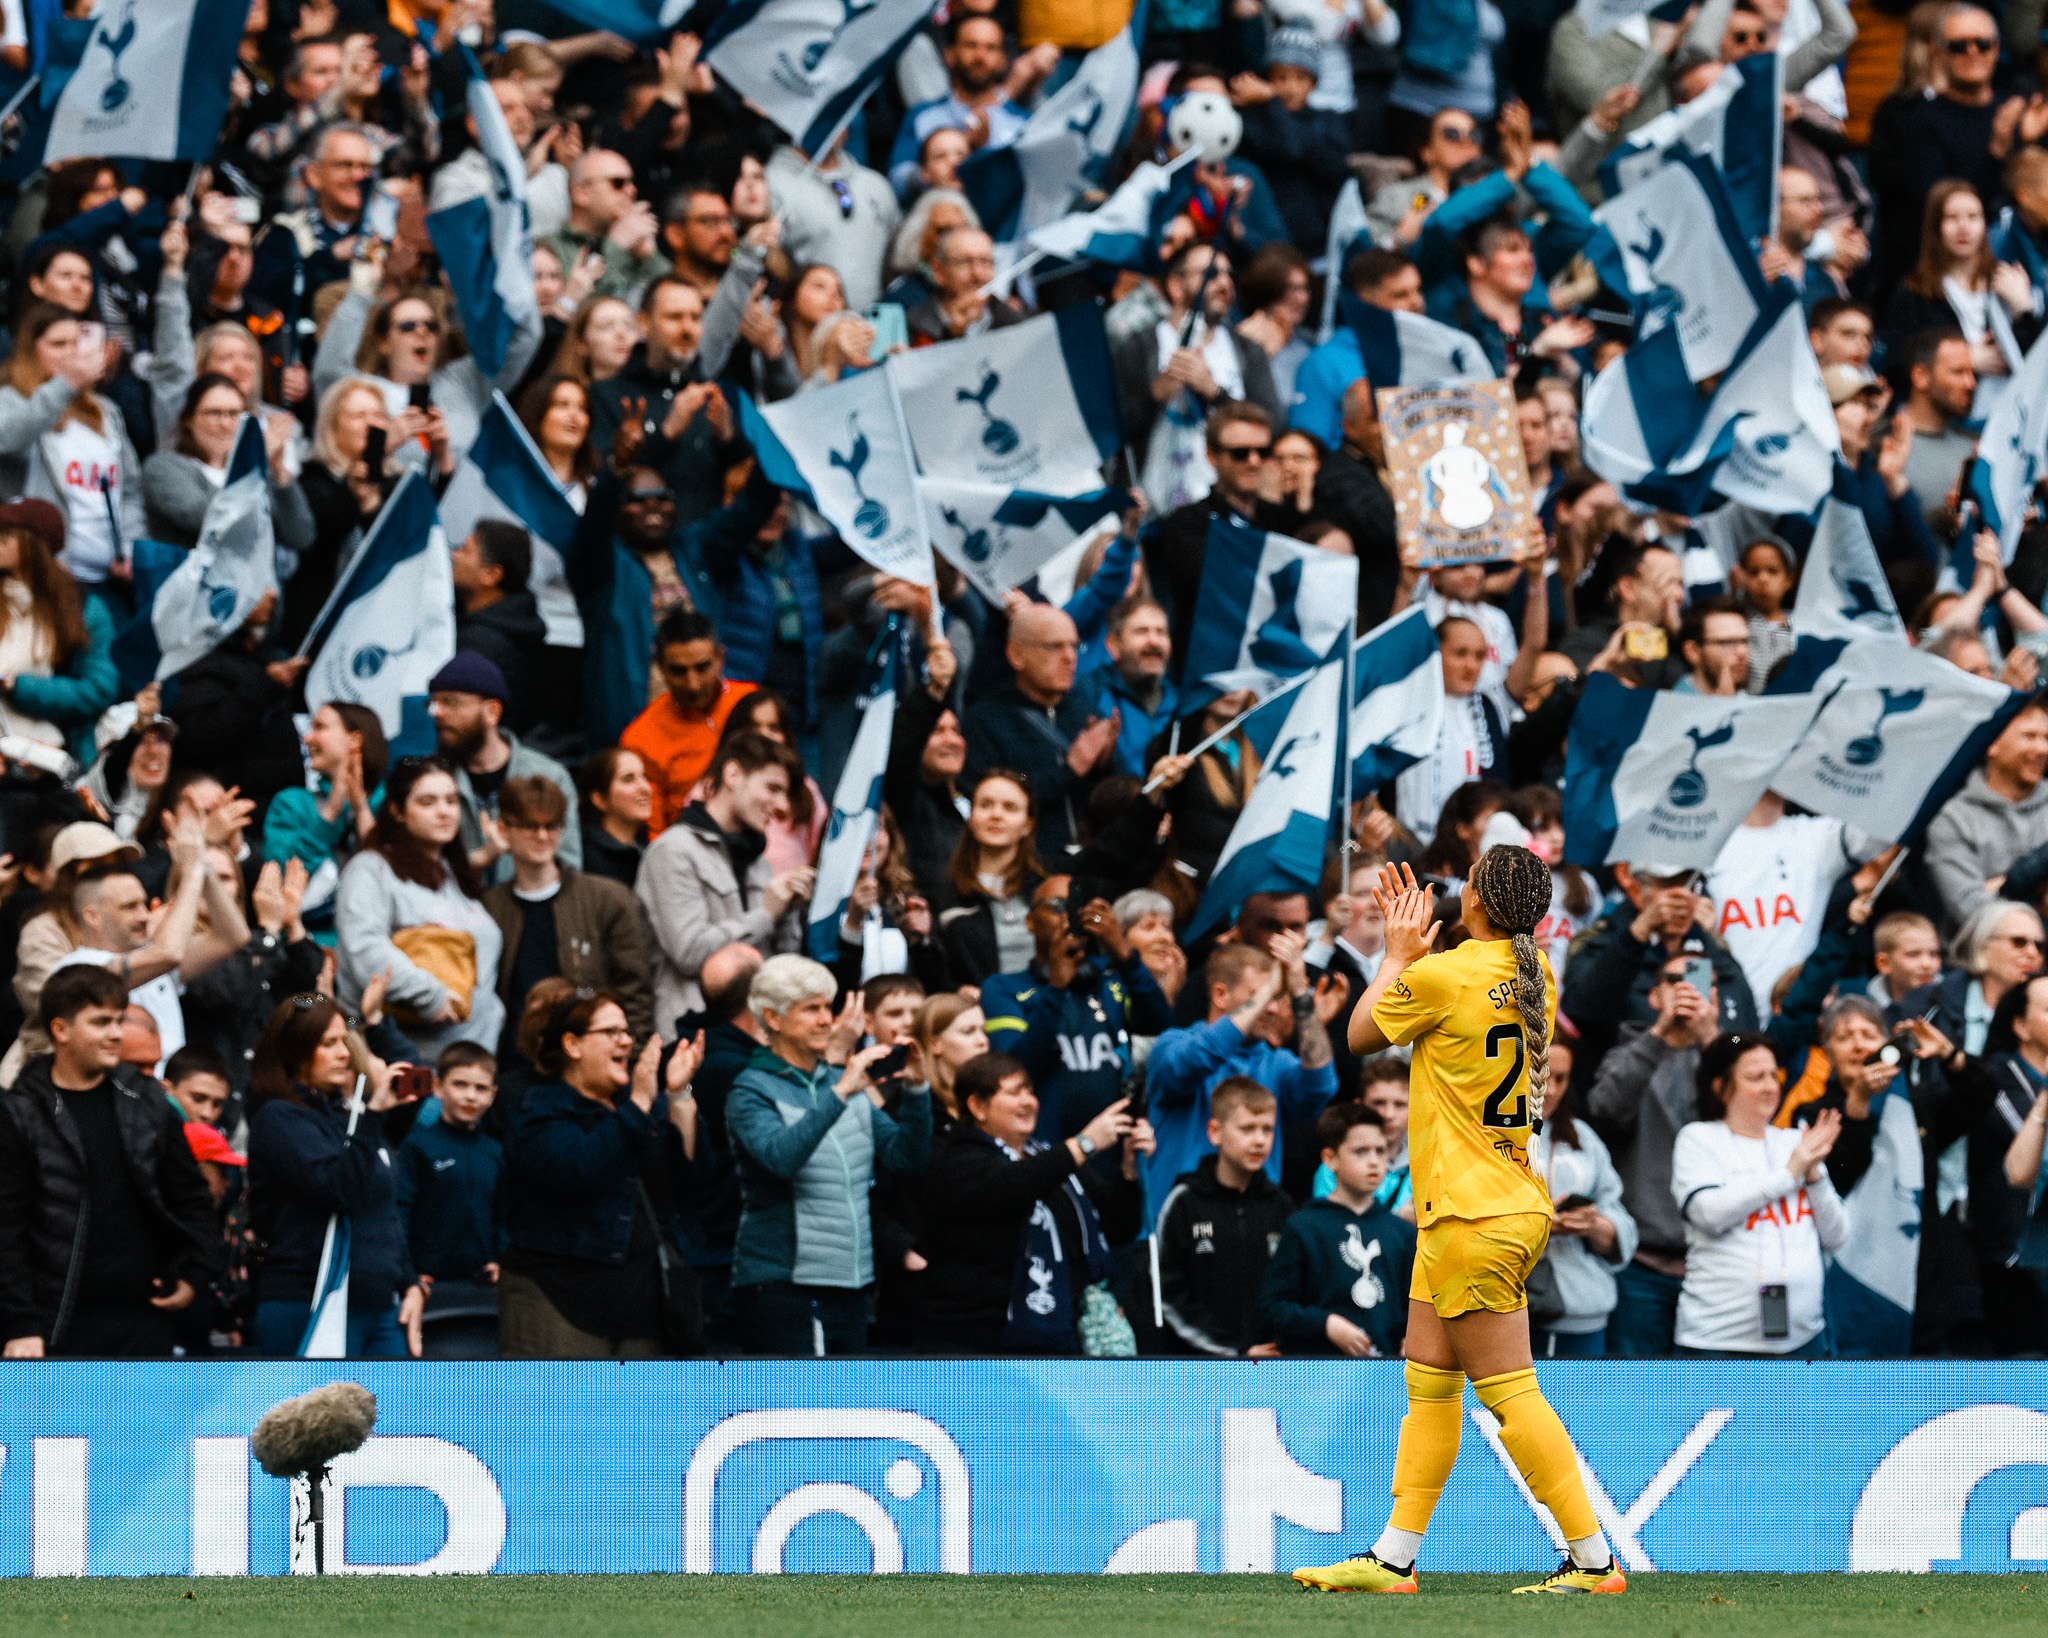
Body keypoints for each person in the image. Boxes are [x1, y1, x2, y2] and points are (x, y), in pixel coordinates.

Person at [1294, 852, 1622, 1595]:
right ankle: (1393, 1558)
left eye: (1465, 881)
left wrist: (1397, 953)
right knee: (1430, 1383)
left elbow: (1360, 1035)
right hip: (1494, 1202)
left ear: (1473, 897)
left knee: (1511, 1392)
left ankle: (1594, 1560)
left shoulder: (1446, 975)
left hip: (1472, 1212)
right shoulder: (1535, 971)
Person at [0, 965, 222, 1358]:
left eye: (119, 1020)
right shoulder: (20, 1112)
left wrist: (195, 1273)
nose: (116, 1033)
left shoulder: (149, 1101)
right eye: (101, 1022)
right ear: (61, 1030)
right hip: (55, 1326)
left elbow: (192, 1198)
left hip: (146, 1317)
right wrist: (20, 1322)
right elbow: (7, 1228)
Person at [726, 955, 932, 1355]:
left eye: (828, 1007)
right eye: (811, 1009)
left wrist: (918, 1090)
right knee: (801, 1414)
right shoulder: (750, 1089)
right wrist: (839, 1094)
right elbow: (780, 1158)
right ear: (773, 1018)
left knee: (842, 1414)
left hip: (852, 1283)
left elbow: (906, 1160)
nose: (826, 1020)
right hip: (785, 1285)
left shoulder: (842, 1080)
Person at [499, 985, 701, 1358]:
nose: (625, 1041)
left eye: (627, 1032)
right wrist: (639, 1102)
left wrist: (678, 1094)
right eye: (611, 1032)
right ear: (573, 1045)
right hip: (560, 1299)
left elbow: (683, 1179)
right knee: (562, 1415)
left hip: (640, 1304)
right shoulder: (537, 1109)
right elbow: (579, 1168)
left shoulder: (634, 1107)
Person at [914, 1051, 1146, 1354]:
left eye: (1030, 1091)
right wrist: (1084, 1144)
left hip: (1058, 1338)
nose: (1028, 1102)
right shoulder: (958, 1159)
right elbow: (1012, 1185)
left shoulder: (1051, 1159)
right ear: (977, 1106)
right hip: (974, 1345)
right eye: (1014, 1092)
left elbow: (1118, 1228)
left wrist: (1128, 1169)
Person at [245, 993, 426, 1357]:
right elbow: (337, 1188)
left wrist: (410, 1283)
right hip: (309, 1299)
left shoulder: (344, 1117)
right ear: (295, 1051)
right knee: (313, 1415)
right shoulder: (279, 1117)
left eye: (345, 1041)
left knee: (394, 1412)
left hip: (379, 1302)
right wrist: (372, 1115)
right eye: (329, 1044)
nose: (345, 1053)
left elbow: (381, 1210)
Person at [1671, 1030, 1849, 1356]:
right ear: (1721, 1087)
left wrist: (1813, 1176)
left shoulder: (1793, 1142)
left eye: (1773, 1075)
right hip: (1717, 1344)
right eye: (1755, 1077)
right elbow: (1708, 1214)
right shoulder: (1698, 1139)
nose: (1770, 1086)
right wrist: (1790, 1172)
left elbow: (1837, 1236)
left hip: (1803, 1341)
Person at [980, 874, 1173, 1149]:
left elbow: (1160, 1022)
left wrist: (1123, 952)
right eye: (1056, 906)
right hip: (1046, 1152)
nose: (1068, 916)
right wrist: (1056, 989)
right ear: (1030, 921)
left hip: (1114, 1151)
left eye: (1077, 907)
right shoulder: (1003, 988)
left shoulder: (1110, 979)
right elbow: (1015, 1069)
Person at [334, 756, 506, 1060]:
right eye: (427, 802)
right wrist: (431, 995)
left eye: (451, 801)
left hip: (469, 1066)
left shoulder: (452, 874)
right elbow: (363, 949)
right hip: (400, 1061)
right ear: (398, 811)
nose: (444, 811)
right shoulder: (370, 869)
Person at [638, 731, 813, 1028]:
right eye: (772, 788)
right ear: (732, 774)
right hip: (693, 1040)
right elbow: (690, 953)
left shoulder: (760, 864)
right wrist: (765, 915)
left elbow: (782, 971)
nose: (783, 805)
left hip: (758, 1036)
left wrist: (788, 913)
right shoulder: (672, 852)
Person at [1147, 941, 1344, 1199]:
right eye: (1258, 995)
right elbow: (1199, 1058)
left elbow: (1321, 1086)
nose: (1271, 1008)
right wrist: (1271, 988)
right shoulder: (1172, 1045)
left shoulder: (1276, 1063)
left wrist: (1300, 999)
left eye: (1275, 998)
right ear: (1220, 995)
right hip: (1181, 1224)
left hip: (1254, 1219)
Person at [482, 775, 653, 1048]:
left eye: (552, 826)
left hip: (591, 1060)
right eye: (530, 826)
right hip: (514, 1064)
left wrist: (628, 1060)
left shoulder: (608, 898)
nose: (542, 836)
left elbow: (635, 992)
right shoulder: (489, 909)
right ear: (503, 829)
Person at [1257, 1102, 1417, 1358]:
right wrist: (1326, 1324)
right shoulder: (1303, 1226)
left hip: (1386, 1378)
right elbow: (1273, 1307)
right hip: (1318, 1377)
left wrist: (1414, 1335)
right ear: (1330, 1159)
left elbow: (1414, 1307)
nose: (1375, 1162)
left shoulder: (1401, 1232)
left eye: (1381, 1150)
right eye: (1360, 1152)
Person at [963, 603, 1119, 862]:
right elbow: (1003, 791)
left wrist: (1104, 764)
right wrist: (1069, 769)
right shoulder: (985, 721)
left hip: (1088, 863)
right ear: (1016, 655)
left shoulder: (1086, 715)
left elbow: (1111, 803)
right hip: (1024, 867)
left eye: (1073, 646)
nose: (1069, 657)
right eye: (1054, 647)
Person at [1150, 1077, 1294, 1357]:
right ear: (1215, 1132)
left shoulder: (1281, 1205)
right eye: (1247, 1129)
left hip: (1269, 1365)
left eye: (1267, 1129)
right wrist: (1235, 1351)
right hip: (1198, 1371)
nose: (1259, 1140)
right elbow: (1167, 1295)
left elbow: (1290, 1291)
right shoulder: (1184, 1203)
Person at [426, 651, 582, 886]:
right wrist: (478, 860)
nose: (438, 713)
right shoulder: (431, 775)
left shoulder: (548, 776)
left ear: (492, 712)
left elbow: (569, 866)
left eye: (451, 702)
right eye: (434, 703)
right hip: (452, 916)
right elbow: (413, 867)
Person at [395, 1043, 504, 1356]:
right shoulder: (418, 1146)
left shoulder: (495, 1152)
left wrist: (499, 1259)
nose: (471, 1096)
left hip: (481, 1285)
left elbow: (503, 1213)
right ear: (438, 1087)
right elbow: (402, 1210)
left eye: (481, 1088)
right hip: (428, 1285)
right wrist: (409, 1274)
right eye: (460, 1085)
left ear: (493, 1094)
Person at [0, 497, 118, 770]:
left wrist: (17, 686)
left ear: (33, 545)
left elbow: (98, 690)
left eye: (6, 533)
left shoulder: (83, 607)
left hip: (52, 754)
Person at [139, 374, 314, 554]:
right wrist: (255, 458)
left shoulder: (257, 472)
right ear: (189, 419)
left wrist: (280, 477)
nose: (225, 424)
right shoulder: (164, 467)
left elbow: (301, 537)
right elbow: (210, 520)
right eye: (214, 413)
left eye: (234, 414)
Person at [618, 609, 758, 834]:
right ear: (660, 667)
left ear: (720, 658)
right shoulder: (641, 737)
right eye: (678, 671)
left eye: (702, 667)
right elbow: (653, 833)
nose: (693, 683)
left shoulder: (752, 705)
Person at [1526, 1076, 1636, 1359]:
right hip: (1508, 1304)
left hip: (1583, 1308)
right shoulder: (1489, 1131)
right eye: (1539, 1075)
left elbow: (1617, 1214)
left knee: (1583, 1401)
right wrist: (1538, 1222)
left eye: (1561, 1079)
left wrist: (1592, 1224)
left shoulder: (1583, 1136)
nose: (1549, 1089)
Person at [1925, 699, 2048, 926]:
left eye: (2046, 738)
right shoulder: (1953, 818)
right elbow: (1970, 910)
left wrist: (1999, 889)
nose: (2042, 749)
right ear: (1992, 743)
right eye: (2029, 736)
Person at [451, 522, 550, 731]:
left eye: (465, 550)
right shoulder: (516, 627)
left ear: (491, 575)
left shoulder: (481, 645)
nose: (454, 556)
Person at [1892, 329, 1981, 524]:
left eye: (1972, 373)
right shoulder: (1884, 446)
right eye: (1958, 372)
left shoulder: (1976, 447)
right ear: (1921, 376)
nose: (1971, 383)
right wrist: (1945, 518)